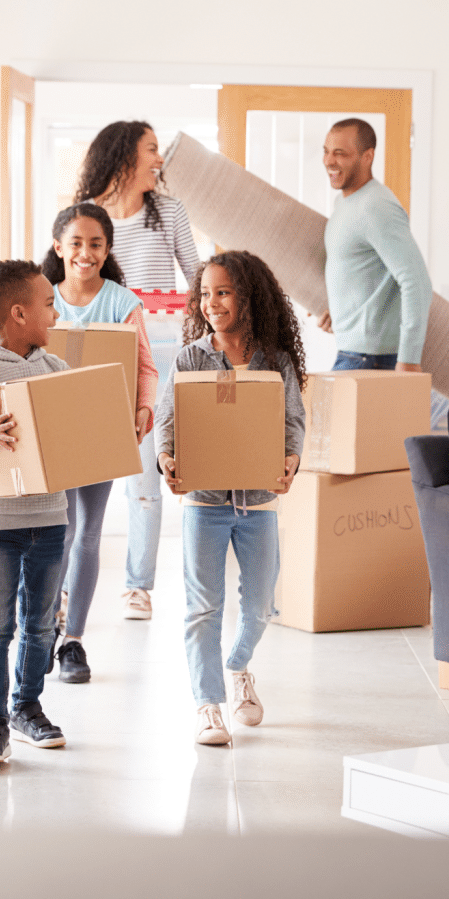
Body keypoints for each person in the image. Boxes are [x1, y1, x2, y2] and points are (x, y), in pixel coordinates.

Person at [155, 251, 306, 746]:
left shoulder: (275, 361)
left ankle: (238, 666)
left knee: (260, 606)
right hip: (204, 501)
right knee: (203, 608)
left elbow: (293, 422)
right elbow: (168, 419)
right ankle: (208, 705)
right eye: (205, 294)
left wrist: (291, 458)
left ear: (249, 297)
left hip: (258, 501)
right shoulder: (190, 359)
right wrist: (166, 458)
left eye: (223, 292)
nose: (211, 303)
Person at [75, 120, 201, 622]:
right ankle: (65, 587)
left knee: (146, 477)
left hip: (160, 355)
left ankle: (137, 587)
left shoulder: (168, 212)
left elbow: (199, 281)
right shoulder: (87, 217)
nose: (159, 158)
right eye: (151, 148)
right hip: (99, 353)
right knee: (79, 473)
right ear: (125, 155)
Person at [42, 203, 157, 684]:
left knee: (88, 532)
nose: (85, 253)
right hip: (52, 431)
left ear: (107, 250)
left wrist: (144, 410)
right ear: (59, 247)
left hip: (103, 431)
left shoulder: (122, 303)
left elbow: (145, 367)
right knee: (58, 533)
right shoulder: (42, 296)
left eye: (96, 244)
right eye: (76, 243)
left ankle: (73, 640)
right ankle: (44, 630)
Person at [0, 260, 68, 767]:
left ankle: (26, 708)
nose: (56, 314)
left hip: (51, 518)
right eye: (49, 304)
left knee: (41, 623)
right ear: (18, 314)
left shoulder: (56, 371)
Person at [321, 118, 449, 425]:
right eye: (326, 151)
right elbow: (367, 273)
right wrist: (339, 312)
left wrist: (409, 360)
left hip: (373, 360)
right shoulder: (344, 203)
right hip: (355, 353)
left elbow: (416, 281)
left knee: (336, 444)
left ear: (368, 156)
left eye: (340, 153)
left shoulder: (376, 206)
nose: (329, 161)